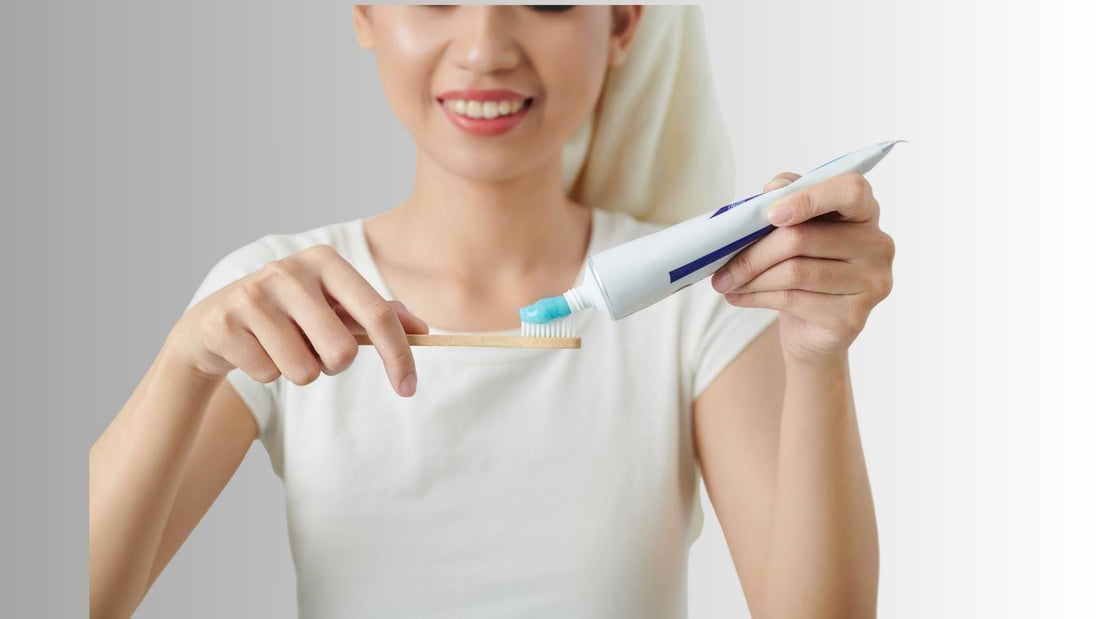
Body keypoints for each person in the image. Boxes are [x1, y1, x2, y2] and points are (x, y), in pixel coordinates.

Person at [90, 6, 893, 618]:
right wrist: (183, 364)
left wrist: (819, 354)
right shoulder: (278, 301)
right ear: (364, 12)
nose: (485, 48)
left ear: (620, 23)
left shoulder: (700, 304)